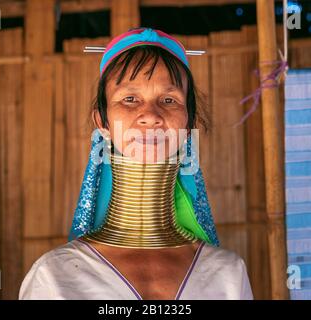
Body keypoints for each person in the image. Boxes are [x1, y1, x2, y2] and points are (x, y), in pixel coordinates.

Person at [19, 27, 253, 300]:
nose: (150, 116)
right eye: (130, 99)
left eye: (169, 100)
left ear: (189, 125)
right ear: (102, 123)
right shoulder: (55, 276)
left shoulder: (227, 275)